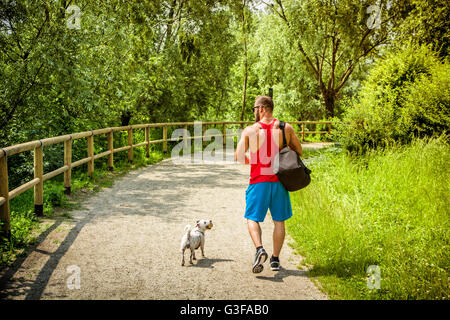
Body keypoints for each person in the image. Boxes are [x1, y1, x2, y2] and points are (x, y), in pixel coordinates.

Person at [235, 95, 303, 273]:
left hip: (259, 181)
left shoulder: (250, 130)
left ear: (262, 108)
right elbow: (299, 150)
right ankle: (275, 259)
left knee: (252, 218)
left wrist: (256, 160)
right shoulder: (285, 128)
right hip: (280, 181)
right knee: (279, 221)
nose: (254, 112)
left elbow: (239, 157)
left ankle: (259, 249)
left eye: (255, 109)